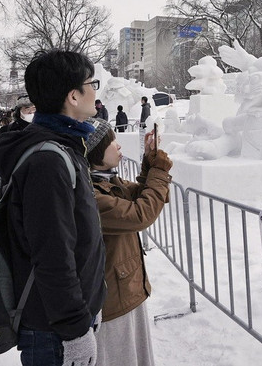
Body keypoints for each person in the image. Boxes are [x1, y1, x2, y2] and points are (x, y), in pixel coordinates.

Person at [0, 49, 106, 366]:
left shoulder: (64, 147)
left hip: (63, 319)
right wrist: (75, 331)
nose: (96, 91)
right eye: (92, 83)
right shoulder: (49, 160)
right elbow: (52, 254)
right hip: (54, 330)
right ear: (73, 95)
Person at [85, 118, 171, 366]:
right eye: (112, 141)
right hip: (112, 300)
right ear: (95, 153)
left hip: (125, 288)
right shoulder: (91, 193)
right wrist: (159, 171)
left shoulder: (106, 181)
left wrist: (149, 164)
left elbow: (140, 195)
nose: (119, 146)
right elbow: (140, 214)